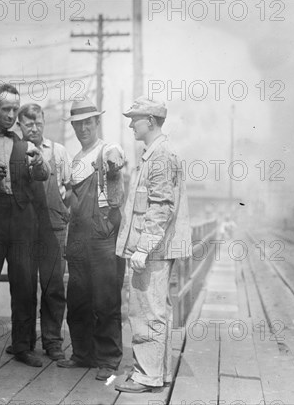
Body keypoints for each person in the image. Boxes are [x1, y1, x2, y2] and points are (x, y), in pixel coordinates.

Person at [0, 84, 51, 368]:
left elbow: (41, 175)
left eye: (15, 109)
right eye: (6, 109)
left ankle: (23, 346)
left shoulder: (27, 146)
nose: (12, 115)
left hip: (23, 222)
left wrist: (40, 162)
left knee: (25, 285)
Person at [114, 97, 192, 393]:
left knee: (146, 310)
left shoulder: (160, 156)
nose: (130, 123)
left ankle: (146, 376)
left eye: (134, 118)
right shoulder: (156, 153)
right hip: (155, 248)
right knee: (156, 308)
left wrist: (143, 248)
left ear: (150, 121)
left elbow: (161, 207)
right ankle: (159, 373)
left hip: (152, 250)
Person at [57, 98, 126, 381]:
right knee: (78, 300)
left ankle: (108, 361)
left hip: (103, 236)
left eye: (89, 122)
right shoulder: (75, 161)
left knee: (106, 301)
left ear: (97, 123)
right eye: (78, 124)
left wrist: (113, 164)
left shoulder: (108, 149)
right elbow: (72, 201)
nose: (83, 128)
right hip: (78, 237)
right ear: (73, 126)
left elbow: (117, 159)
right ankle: (82, 354)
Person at [15, 103, 71, 361]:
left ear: (44, 122)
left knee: (53, 286)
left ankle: (52, 341)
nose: (34, 128)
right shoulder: (15, 151)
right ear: (20, 126)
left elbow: (70, 189)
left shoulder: (57, 151)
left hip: (53, 227)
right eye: (29, 124)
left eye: (38, 123)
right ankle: (23, 343)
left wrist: (62, 213)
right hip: (24, 229)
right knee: (24, 287)